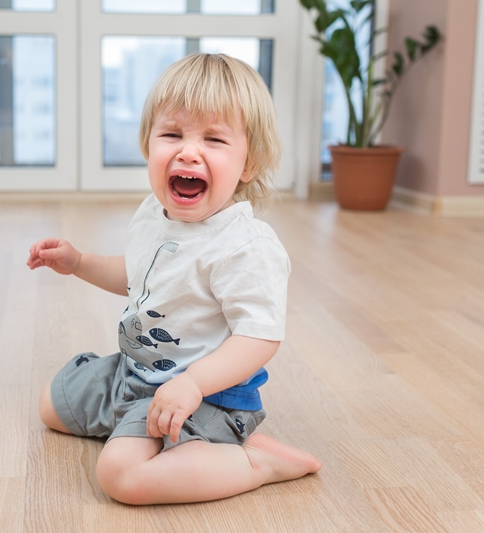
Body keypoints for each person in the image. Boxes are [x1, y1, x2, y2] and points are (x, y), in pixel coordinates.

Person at [27, 53, 321, 505]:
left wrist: (195, 383)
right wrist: (80, 262)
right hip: (136, 374)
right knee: (52, 406)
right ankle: (143, 428)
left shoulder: (244, 246)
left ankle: (253, 462)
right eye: (171, 134)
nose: (188, 150)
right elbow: (140, 276)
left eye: (214, 139)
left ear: (249, 163)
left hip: (208, 396)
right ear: (148, 145)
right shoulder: (153, 214)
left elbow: (259, 337)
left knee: (121, 477)